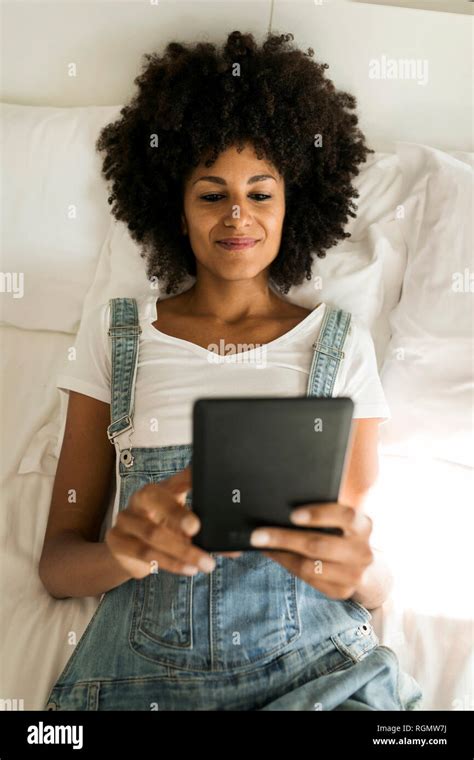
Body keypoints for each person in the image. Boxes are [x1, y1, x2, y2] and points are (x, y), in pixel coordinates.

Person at [40, 30, 423, 710]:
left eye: (261, 193)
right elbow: (59, 565)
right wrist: (122, 556)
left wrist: (371, 577)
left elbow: (356, 553)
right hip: (138, 687)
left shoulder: (338, 342)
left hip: (319, 677)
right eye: (212, 194)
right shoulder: (117, 333)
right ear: (175, 211)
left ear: (292, 206)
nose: (238, 213)